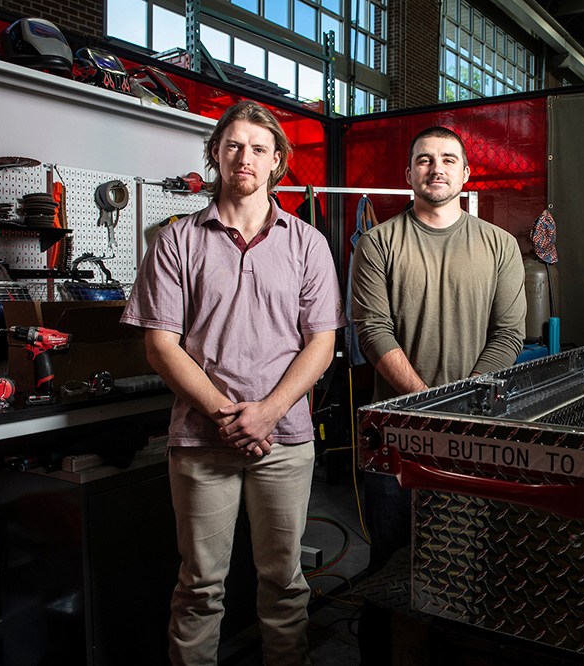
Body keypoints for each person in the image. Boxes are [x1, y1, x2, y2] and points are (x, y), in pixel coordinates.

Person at [122, 100, 345, 666]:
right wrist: (228, 414)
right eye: (233, 146)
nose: (244, 157)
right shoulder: (177, 241)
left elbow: (320, 343)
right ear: (216, 155)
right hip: (201, 441)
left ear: (278, 163)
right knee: (199, 586)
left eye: (258, 148)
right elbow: (159, 344)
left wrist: (268, 411)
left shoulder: (307, 244)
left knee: (285, 582)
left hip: (285, 439)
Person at [350, 125, 526, 571]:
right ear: (409, 172)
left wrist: (460, 405)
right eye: (425, 159)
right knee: (390, 561)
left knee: (467, 560)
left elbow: (508, 333)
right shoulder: (377, 243)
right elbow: (372, 330)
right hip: (396, 433)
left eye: (448, 159)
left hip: (473, 430)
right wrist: (428, 405)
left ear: (466, 173)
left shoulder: (500, 245)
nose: (437, 168)